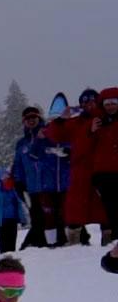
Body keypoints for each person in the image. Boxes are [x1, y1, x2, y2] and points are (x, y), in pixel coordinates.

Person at [44, 87, 118, 248]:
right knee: (76, 206)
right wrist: (61, 120)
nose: (89, 104)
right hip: (80, 170)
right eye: (85, 101)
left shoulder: (106, 119)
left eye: (92, 101)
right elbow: (53, 134)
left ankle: (109, 240)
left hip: (104, 169)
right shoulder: (77, 122)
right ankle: (74, 241)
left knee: (105, 206)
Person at [9, 105, 68, 248]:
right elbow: (18, 165)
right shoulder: (21, 143)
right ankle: (39, 244)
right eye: (28, 118)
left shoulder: (48, 135)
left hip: (51, 185)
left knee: (58, 215)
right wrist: (18, 182)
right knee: (37, 217)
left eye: (34, 117)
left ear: (39, 118)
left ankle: (63, 241)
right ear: (24, 121)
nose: (31, 121)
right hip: (32, 187)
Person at [0, 168, 24, 255]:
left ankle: (10, 260)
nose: (6, 179)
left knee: (12, 245)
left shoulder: (13, 191)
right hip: (2, 222)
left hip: (12, 220)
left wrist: (22, 218)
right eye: (4, 177)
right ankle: (5, 260)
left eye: (8, 177)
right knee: (4, 246)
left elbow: (19, 206)